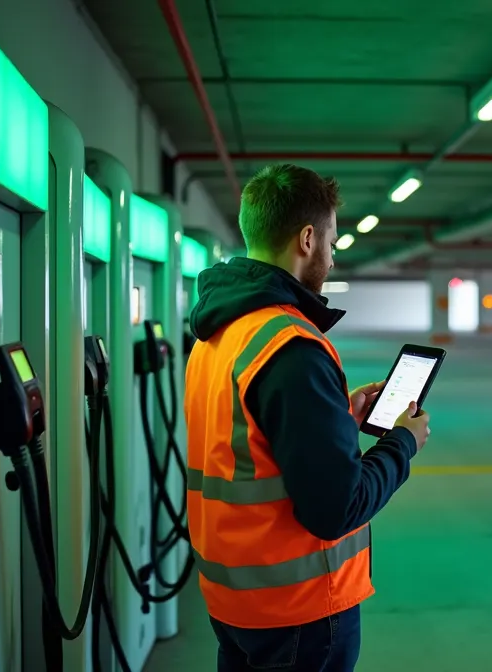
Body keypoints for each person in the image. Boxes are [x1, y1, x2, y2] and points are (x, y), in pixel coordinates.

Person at [183, 163, 431, 671]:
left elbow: (251, 444)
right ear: (307, 238)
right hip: (296, 611)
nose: (334, 258)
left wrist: (337, 413)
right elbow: (337, 508)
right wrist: (402, 443)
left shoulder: (218, 335)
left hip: (234, 600)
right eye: (333, 242)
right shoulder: (292, 346)